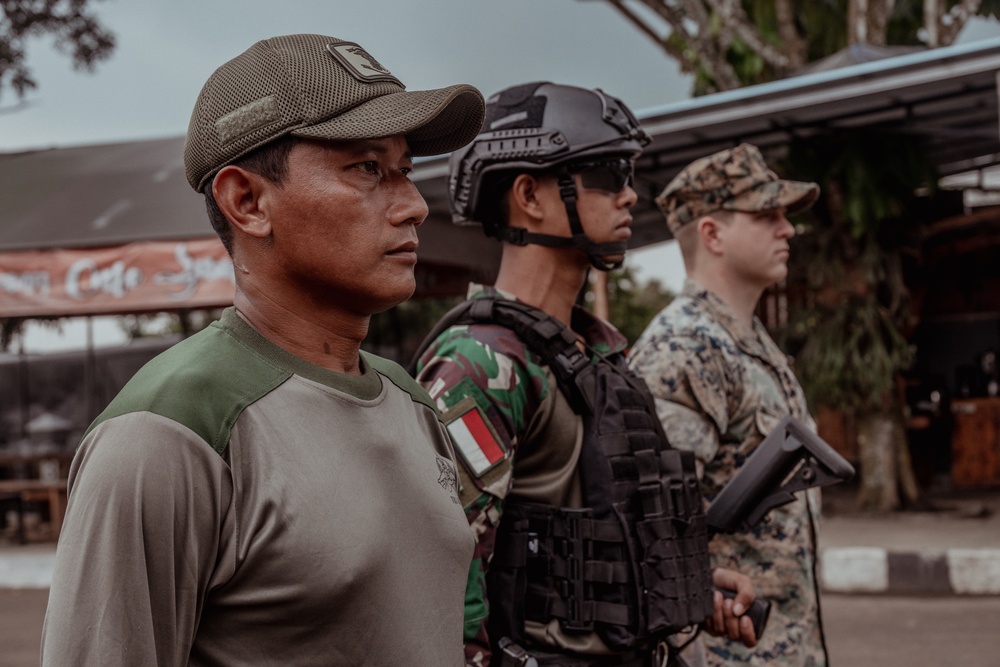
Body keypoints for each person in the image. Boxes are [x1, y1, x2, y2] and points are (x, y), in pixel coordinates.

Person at [40, 33, 485, 666]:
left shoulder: (409, 400)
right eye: (367, 168)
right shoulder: (170, 430)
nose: (413, 205)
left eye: (406, 169)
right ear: (247, 201)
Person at [413, 82, 758, 667]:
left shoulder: (595, 353)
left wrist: (682, 588)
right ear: (530, 195)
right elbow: (442, 574)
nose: (630, 195)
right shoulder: (483, 363)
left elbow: (597, 527)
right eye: (607, 172)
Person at [628, 143, 825, 666]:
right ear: (712, 233)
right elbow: (657, 526)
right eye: (767, 215)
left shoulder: (749, 341)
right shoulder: (686, 347)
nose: (788, 229)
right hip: (724, 654)